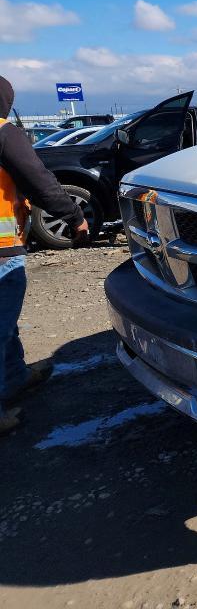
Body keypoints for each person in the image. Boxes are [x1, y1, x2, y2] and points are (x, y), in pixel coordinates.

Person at [0, 75, 89, 434]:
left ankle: (16, 376)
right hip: (1, 247)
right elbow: (40, 180)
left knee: (6, 319)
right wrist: (76, 217)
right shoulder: (4, 131)